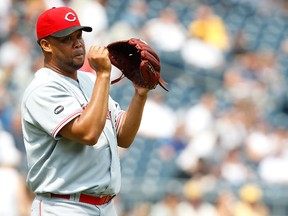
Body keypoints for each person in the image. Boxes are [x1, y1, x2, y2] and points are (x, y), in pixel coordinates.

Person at [21, 6, 151, 216]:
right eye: (66, 39)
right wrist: (103, 75)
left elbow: (124, 137)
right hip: (63, 206)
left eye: (79, 35)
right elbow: (88, 134)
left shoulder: (90, 81)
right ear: (46, 45)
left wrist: (140, 94)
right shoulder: (42, 89)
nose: (78, 43)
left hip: (106, 206)